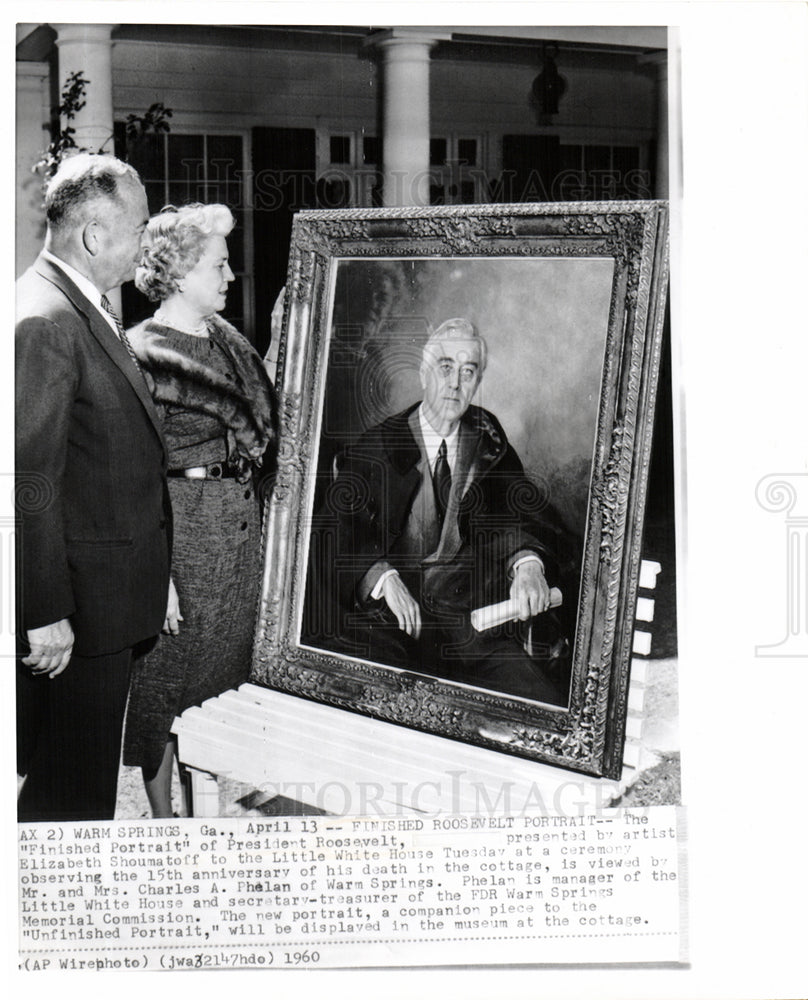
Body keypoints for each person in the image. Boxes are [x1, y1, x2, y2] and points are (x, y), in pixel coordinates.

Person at [15, 152, 172, 822]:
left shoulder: (83, 307)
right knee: (71, 797)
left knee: (78, 784)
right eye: (138, 228)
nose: (147, 243)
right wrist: (44, 609)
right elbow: (30, 479)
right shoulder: (46, 321)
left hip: (104, 603)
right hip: (78, 616)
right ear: (95, 237)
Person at [310, 318, 572, 705]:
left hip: (473, 630)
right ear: (422, 373)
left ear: (477, 383)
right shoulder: (377, 446)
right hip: (394, 631)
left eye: (468, 372)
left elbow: (519, 512)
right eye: (445, 367)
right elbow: (336, 534)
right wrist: (382, 578)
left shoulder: (489, 442)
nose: (455, 383)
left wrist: (527, 564)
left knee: (540, 708)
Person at [123, 203, 277, 817]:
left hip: (239, 533)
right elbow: (131, 481)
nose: (231, 275)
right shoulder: (139, 351)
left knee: (222, 685)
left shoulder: (230, 339)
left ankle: (207, 800)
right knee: (163, 686)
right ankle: (165, 825)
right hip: (181, 542)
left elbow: (265, 425)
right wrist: (154, 578)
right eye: (219, 264)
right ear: (181, 272)